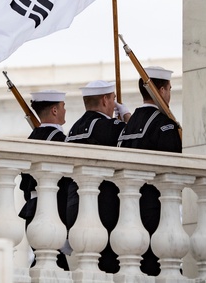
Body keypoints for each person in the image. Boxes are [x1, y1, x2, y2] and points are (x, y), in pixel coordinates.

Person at [117, 65, 181, 276]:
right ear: (161, 91)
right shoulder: (164, 125)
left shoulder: (128, 125)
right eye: (169, 89)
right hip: (156, 210)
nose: (169, 94)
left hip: (127, 211)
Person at [64, 79, 131, 273]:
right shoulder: (106, 126)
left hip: (74, 207)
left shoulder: (73, 130)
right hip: (103, 209)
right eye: (113, 99)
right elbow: (136, 135)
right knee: (108, 268)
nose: (114, 104)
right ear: (104, 100)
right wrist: (126, 116)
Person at [18, 89, 77, 271]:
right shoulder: (60, 140)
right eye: (63, 106)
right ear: (54, 110)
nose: (65, 111)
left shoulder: (31, 139)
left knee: (45, 265)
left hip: (32, 212)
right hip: (54, 213)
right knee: (53, 268)